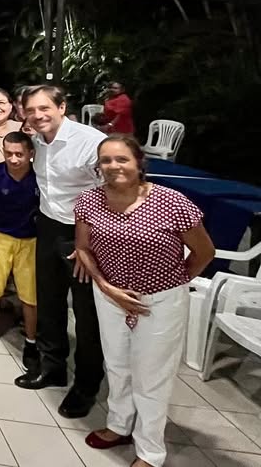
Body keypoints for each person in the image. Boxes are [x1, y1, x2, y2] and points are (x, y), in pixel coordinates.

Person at [73, 135, 214, 467]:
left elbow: (204, 252)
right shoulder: (89, 201)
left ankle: (150, 450)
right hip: (109, 295)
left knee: (152, 376)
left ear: (139, 162)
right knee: (117, 365)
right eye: (106, 160)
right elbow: (83, 249)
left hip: (160, 300)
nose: (113, 166)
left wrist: (169, 284)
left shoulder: (172, 202)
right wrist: (106, 287)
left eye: (122, 159)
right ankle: (119, 425)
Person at [13, 85, 107, 420]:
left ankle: (86, 384)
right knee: (49, 302)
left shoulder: (90, 142)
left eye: (44, 108)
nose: (37, 116)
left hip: (84, 234)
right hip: (49, 226)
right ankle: (52, 367)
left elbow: (110, 191)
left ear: (62, 107)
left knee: (86, 313)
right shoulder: (37, 140)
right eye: (31, 110)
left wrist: (89, 243)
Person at [0, 131, 40, 369]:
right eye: (8, 153)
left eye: (19, 154)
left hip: (30, 240)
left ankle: (31, 341)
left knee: (29, 294)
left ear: (30, 153)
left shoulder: (39, 176)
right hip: (0, 236)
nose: (13, 159)